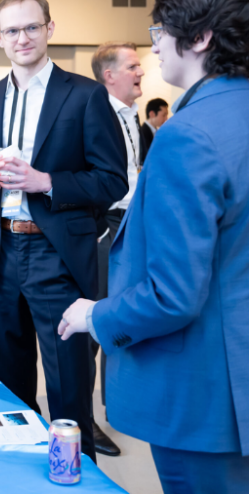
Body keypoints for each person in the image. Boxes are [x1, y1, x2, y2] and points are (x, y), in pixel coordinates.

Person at [58, 0, 249, 493]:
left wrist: (96, 315)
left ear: (199, 38)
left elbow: (173, 294)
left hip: (208, 398)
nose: (154, 46)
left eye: (158, 31)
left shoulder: (188, 134)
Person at [0, 0, 128, 461]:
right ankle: (20, 475)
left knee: (68, 390)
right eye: (12, 30)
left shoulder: (86, 95)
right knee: (9, 388)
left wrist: (46, 181)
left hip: (57, 256)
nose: (23, 38)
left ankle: (74, 479)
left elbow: (112, 179)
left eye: (32, 27)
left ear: (50, 29)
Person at [88, 41, 147, 457]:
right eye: (133, 66)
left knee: (122, 314)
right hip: (102, 227)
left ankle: (117, 406)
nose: (141, 71)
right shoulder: (94, 113)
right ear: (109, 75)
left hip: (131, 223)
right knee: (93, 320)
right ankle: (79, 418)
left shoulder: (132, 116)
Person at [140, 98, 169, 164]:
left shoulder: (158, 132)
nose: (166, 118)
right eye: (164, 115)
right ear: (152, 114)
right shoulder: (142, 133)